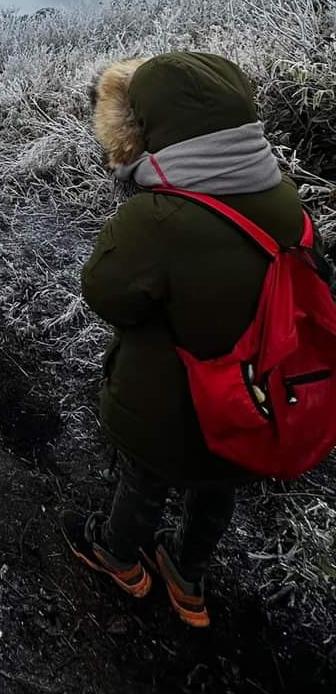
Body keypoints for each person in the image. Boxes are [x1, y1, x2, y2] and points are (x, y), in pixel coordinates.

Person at [64, 52, 306, 629]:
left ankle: (119, 557)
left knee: (144, 478)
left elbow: (106, 293)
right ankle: (187, 578)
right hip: (251, 395)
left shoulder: (157, 215)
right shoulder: (285, 197)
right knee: (218, 487)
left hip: (165, 397)